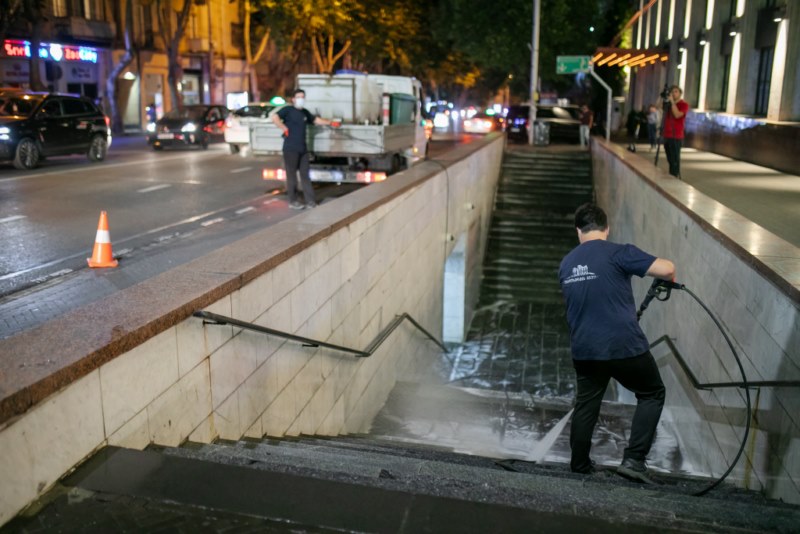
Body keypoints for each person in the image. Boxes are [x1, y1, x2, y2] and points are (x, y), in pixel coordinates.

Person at [558, 203, 676, 484]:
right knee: (652, 393)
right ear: (607, 228)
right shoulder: (619, 252)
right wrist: (669, 277)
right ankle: (633, 460)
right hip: (623, 345)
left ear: (578, 231)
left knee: (587, 404)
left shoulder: (566, 264)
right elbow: (667, 268)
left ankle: (579, 464)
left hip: (585, 349)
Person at [271, 88, 332, 209]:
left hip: (303, 149)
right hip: (290, 149)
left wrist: (330, 122)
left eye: (303, 97)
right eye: (298, 97)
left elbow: (315, 120)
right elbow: (274, 117)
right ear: (293, 99)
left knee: (305, 175)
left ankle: (310, 201)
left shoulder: (304, 112)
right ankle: (293, 201)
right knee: (292, 176)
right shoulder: (288, 110)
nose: (301, 99)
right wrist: (284, 128)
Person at [662, 86, 689, 179]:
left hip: (676, 135)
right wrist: (663, 97)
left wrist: (672, 103)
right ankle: (671, 175)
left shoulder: (684, 105)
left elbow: (677, 115)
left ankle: (675, 176)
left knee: (675, 160)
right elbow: (658, 108)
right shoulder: (668, 104)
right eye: (672, 92)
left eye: (676, 92)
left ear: (680, 93)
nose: (673, 94)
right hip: (667, 134)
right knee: (669, 159)